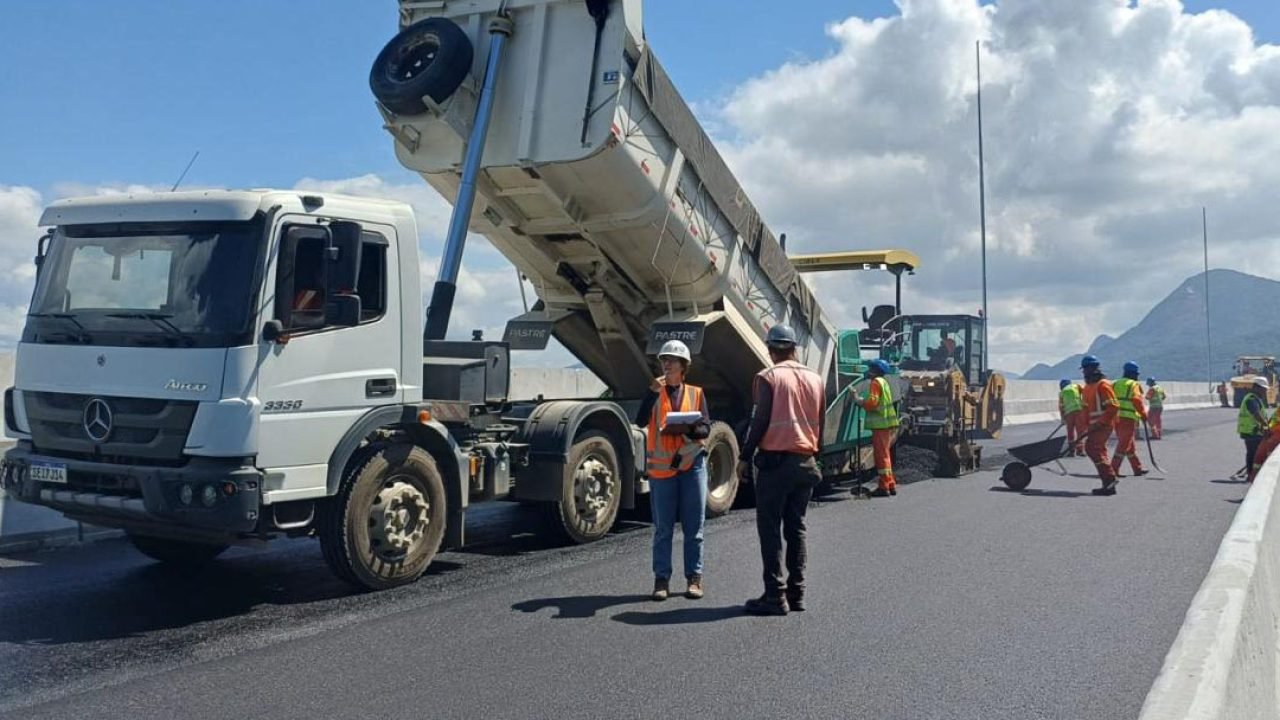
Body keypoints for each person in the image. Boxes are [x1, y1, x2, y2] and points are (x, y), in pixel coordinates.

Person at [737, 325, 826, 616]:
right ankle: (797, 593)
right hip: (805, 462)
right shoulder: (815, 378)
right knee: (796, 527)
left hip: (776, 465)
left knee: (770, 529)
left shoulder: (769, 377)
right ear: (794, 348)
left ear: (771, 350)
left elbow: (760, 420)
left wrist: (744, 455)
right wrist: (814, 453)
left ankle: (775, 597)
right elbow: (820, 422)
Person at [634, 339, 711, 602]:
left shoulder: (696, 393)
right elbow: (640, 420)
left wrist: (688, 427)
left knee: (694, 528)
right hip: (663, 470)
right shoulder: (655, 392)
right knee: (663, 529)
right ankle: (661, 580)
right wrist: (652, 393)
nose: (666, 364)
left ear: (683, 365)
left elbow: (705, 428)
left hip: (692, 464)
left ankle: (694, 579)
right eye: (663, 360)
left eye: (671, 360)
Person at [855, 359, 900, 496]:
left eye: (870, 369)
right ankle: (890, 484)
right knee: (885, 455)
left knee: (881, 456)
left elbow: (872, 403)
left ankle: (884, 486)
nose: (868, 371)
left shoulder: (875, 383)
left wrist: (859, 400)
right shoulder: (884, 382)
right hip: (886, 425)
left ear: (874, 371)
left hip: (880, 426)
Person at [1079, 355, 1120, 495]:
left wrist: (1101, 422)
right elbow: (1086, 409)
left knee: (1092, 448)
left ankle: (1109, 479)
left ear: (1092, 369)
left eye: (1085, 369)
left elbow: (1113, 406)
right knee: (1098, 450)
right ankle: (1109, 485)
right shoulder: (1088, 387)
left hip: (1103, 425)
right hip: (1094, 426)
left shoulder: (1103, 385)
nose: (1084, 372)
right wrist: (1085, 426)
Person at [1110, 361, 1149, 477]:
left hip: (1116, 417)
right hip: (1128, 418)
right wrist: (1143, 414)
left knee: (1129, 444)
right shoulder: (1133, 384)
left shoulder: (1115, 383)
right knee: (1123, 444)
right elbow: (1137, 400)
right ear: (1134, 374)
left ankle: (1137, 468)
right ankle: (1113, 469)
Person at [1239, 378, 1270, 483]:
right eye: (1263, 389)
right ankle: (1251, 474)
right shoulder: (1251, 399)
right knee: (1253, 453)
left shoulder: (1256, 398)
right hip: (1251, 431)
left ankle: (1252, 473)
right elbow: (1256, 414)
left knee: (1254, 453)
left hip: (1254, 431)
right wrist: (1265, 426)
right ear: (1256, 387)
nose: (1264, 391)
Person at [1059, 378, 1085, 456]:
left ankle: (1071, 451)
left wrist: (1063, 419)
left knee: (1070, 432)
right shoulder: (1076, 386)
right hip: (1078, 410)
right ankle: (1080, 451)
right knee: (1080, 432)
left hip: (1069, 414)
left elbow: (1061, 406)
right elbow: (1085, 392)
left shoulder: (1062, 392)